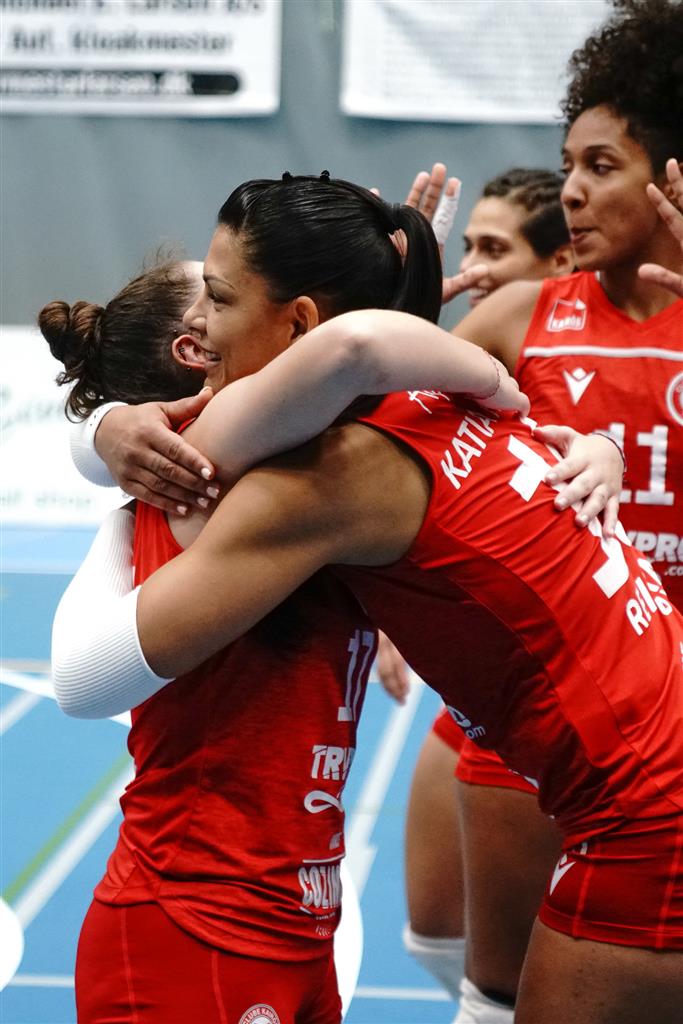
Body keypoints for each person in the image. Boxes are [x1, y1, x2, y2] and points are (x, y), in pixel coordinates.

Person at [52, 171, 682, 1024]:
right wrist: (107, 440)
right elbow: (354, 351)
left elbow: (352, 349)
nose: (203, 323)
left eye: (221, 299)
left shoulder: (334, 465)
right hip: (220, 912)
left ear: (300, 322)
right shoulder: (427, 405)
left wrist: (107, 445)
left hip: (639, 810)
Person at [416, 1, 682, 1018]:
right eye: (566, 162)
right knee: (493, 994)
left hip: (668, 737)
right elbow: (358, 440)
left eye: (600, 165)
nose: (568, 188)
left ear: (670, 177)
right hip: (542, 726)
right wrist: (111, 429)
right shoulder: (517, 318)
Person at [400, 167, 574, 998]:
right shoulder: (476, 349)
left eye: (492, 248)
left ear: (559, 261)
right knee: (433, 937)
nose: (472, 267)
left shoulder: (582, 337)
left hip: (603, 693)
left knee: (522, 982)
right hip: (492, 680)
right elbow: (369, 418)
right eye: (466, 245)